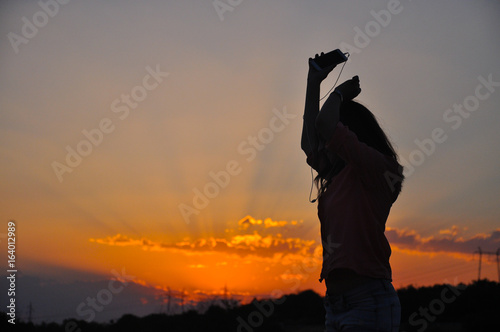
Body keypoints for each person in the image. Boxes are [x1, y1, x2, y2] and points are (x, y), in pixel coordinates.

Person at [301, 54, 404, 332]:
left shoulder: (380, 170)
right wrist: (314, 80)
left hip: (369, 302)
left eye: (331, 138)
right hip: (334, 306)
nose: (323, 145)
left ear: (351, 133)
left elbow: (324, 126)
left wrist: (338, 94)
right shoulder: (338, 174)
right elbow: (310, 140)